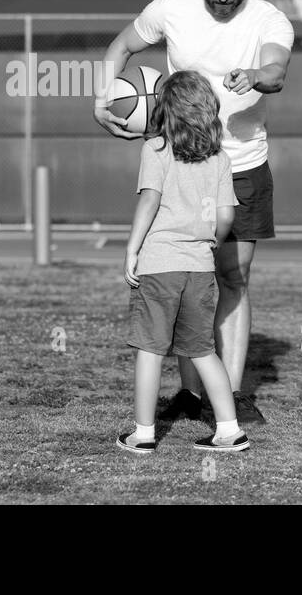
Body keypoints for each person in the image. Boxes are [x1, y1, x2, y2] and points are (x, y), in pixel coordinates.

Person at [95, 0, 293, 426]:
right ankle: (189, 393)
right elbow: (119, 48)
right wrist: (101, 101)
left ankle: (230, 393)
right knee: (186, 280)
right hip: (182, 165)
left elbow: (277, 69)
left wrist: (255, 77)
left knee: (232, 277)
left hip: (242, 165)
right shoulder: (171, 9)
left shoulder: (270, 20)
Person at [118, 71, 250, 454]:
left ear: (166, 110)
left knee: (150, 349)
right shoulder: (220, 158)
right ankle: (229, 429)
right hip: (200, 267)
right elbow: (225, 218)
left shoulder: (155, 148)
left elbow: (149, 200)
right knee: (203, 350)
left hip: (160, 264)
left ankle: (143, 434)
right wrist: (210, 242)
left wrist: (132, 248)